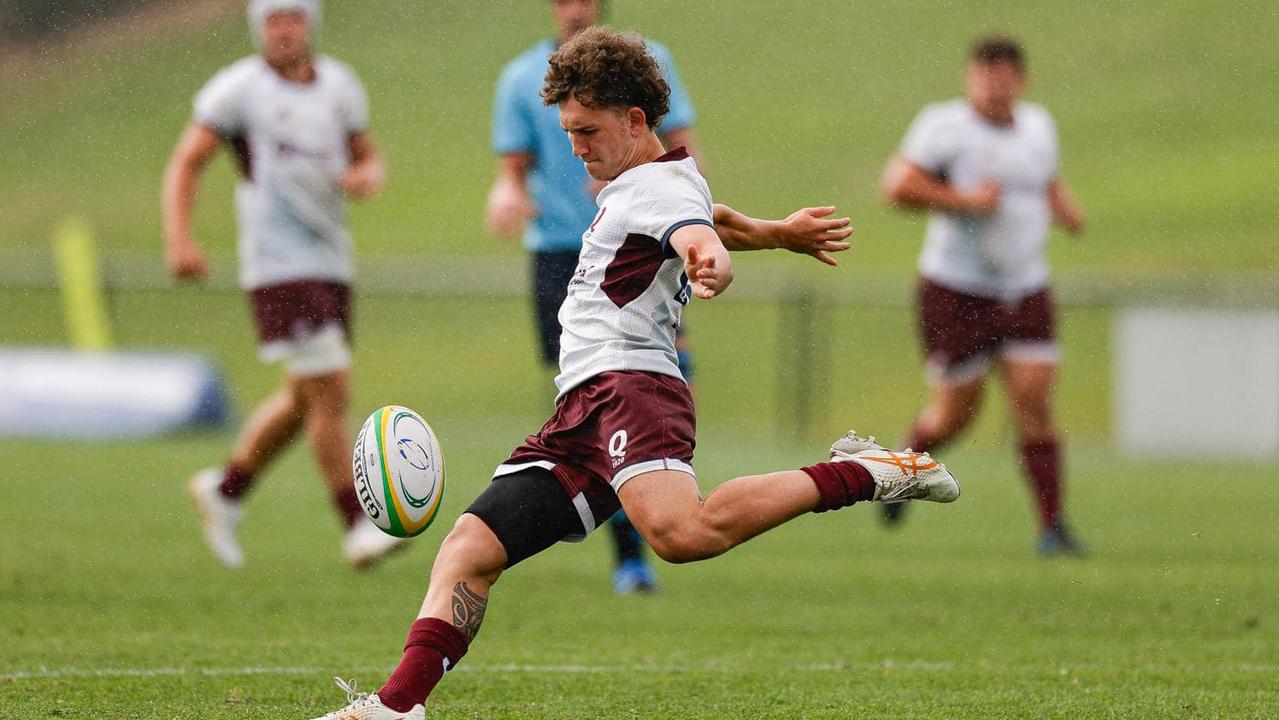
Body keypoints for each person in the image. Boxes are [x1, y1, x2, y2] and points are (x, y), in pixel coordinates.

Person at [308, 28, 959, 719]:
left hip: (631, 391)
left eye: (586, 131)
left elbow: (693, 232)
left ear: (635, 121)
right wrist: (772, 233)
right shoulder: (648, 182)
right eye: (566, 131)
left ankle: (870, 472)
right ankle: (398, 707)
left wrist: (715, 260)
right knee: (470, 549)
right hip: (581, 409)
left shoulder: (655, 187)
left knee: (682, 535)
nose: (575, 147)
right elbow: (703, 215)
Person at [161, 0, 399, 569]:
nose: (284, 29)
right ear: (259, 28)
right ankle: (354, 524)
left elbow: (367, 157)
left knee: (305, 397)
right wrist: (180, 239)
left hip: (330, 258)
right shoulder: (238, 90)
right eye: (273, 20)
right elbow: (186, 162)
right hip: (277, 262)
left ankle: (227, 489)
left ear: (310, 23)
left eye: (293, 17)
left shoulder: (340, 85)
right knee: (331, 391)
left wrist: (367, 174)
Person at [485, 0, 701, 595]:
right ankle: (631, 550)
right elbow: (512, 167)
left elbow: (682, 147)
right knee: (593, 395)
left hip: (646, 245)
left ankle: (652, 519)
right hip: (561, 251)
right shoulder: (519, 77)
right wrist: (506, 193)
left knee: (664, 377)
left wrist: (686, 209)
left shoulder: (651, 64)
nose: (575, 7)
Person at [880, 36, 1086, 555]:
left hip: (1024, 287)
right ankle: (900, 471)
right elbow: (897, 186)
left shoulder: (1039, 126)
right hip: (956, 289)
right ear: (971, 77)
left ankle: (1052, 527)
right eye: (985, 75)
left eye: (1006, 76)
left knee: (1035, 402)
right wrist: (964, 200)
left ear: (1021, 81)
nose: (995, 86)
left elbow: (1045, 180)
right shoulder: (945, 127)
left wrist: (1065, 208)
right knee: (956, 415)